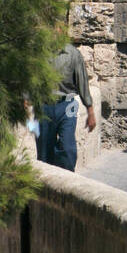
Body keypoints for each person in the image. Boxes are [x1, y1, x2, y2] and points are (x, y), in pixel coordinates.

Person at [35, 33, 96, 173]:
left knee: (68, 150)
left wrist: (90, 111)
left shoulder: (73, 54)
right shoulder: (39, 53)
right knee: (44, 154)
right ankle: (47, 189)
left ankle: (68, 181)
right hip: (44, 107)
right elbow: (31, 76)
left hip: (67, 106)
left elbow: (83, 84)